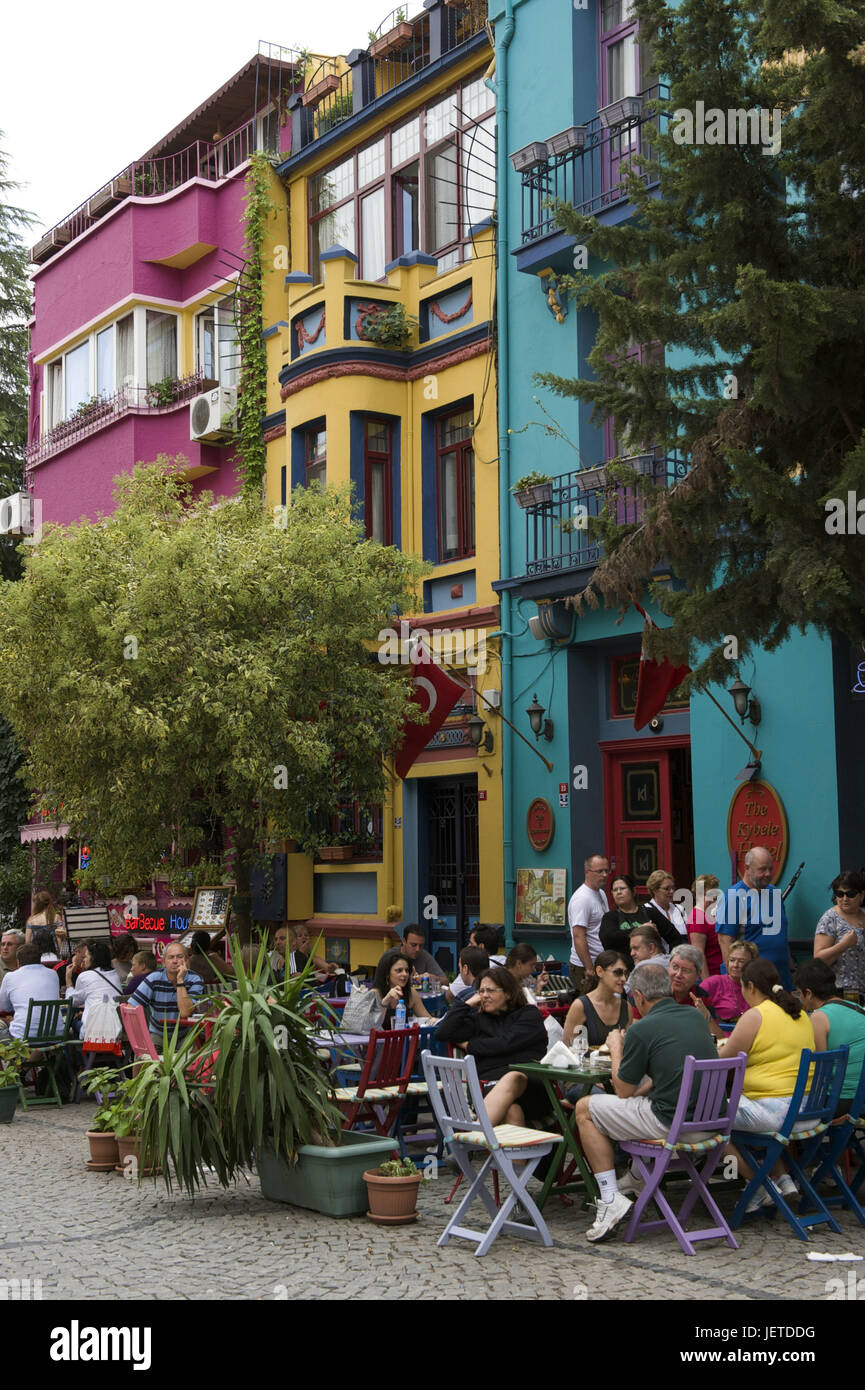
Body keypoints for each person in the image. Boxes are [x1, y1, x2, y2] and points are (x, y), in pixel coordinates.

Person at [573, 962, 718, 1242]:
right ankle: (635, 1181)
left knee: (584, 1108)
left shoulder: (643, 1028)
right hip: (711, 1124)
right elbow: (676, 1072)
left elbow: (623, 1091)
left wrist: (616, 1047)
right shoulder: (694, 1016)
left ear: (638, 997)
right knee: (640, 1101)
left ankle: (609, 1197)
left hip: (674, 1126)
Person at [719, 957, 817, 1210]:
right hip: (809, 1112)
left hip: (777, 1113)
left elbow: (724, 1059)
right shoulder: (800, 1013)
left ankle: (758, 1185)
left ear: (750, 986)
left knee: (707, 1121)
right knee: (745, 1112)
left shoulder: (755, 1016)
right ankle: (783, 1179)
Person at [435, 965, 549, 1125]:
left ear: (508, 993)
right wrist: (467, 1004)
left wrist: (471, 1046)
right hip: (488, 1088)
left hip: (531, 1089)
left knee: (513, 1076)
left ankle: (476, 1136)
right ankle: (505, 1150)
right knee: (512, 1111)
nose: (484, 996)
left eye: (490, 991)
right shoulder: (478, 1020)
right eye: (481, 991)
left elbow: (505, 1043)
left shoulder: (529, 1015)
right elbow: (442, 1032)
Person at [716, 846, 793, 989]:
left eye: (770, 868)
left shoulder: (775, 894)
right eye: (762, 869)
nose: (768, 873)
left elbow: (781, 935)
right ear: (747, 868)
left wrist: (791, 969)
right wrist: (735, 983)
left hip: (782, 979)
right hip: (752, 983)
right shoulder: (734, 897)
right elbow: (725, 941)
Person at [796, 958, 865, 1116]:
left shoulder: (819, 1017)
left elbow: (820, 1072)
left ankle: (801, 1141)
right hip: (861, 1099)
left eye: (799, 994)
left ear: (809, 993)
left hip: (842, 1101)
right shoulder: (858, 1009)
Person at [127, 941, 204, 1042]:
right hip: (158, 1034)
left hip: (185, 1034)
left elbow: (185, 1012)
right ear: (163, 962)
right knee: (147, 1056)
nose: (175, 961)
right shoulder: (154, 978)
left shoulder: (195, 979)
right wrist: (142, 1038)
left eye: (180, 957)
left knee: (193, 1053)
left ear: (187, 961)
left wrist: (180, 980)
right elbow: (131, 1009)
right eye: (171, 957)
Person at [813, 869, 865, 999]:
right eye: (840, 894)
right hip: (839, 992)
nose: (845, 899)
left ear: (862, 895)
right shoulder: (830, 918)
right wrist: (843, 945)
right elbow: (818, 960)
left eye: (851, 894)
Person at [563, 951, 631, 1046]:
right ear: (600, 971)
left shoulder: (626, 1007)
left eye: (626, 973)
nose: (624, 978)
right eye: (618, 972)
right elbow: (567, 1047)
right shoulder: (580, 1006)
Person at [600, 874, 680, 954]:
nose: (618, 892)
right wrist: (641, 929)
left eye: (622, 888)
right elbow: (608, 939)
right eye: (615, 890)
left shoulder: (650, 912)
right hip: (624, 964)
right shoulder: (610, 917)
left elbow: (675, 938)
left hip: (651, 963)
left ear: (633, 891)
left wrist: (671, 959)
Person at [0, 944, 61, 1039]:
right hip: (56, 1034)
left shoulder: (10, 977)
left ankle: (25, 1053)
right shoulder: (53, 974)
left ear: (18, 962)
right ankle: (37, 1054)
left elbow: (3, 1008)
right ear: (40, 960)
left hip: (24, 1038)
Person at [567, 853, 609, 990]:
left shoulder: (601, 893)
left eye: (606, 871)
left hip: (602, 962)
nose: (604, 875)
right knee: (590, 1007)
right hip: (585, 966)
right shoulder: (582, 898)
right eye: (599, 871)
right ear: (587, 872)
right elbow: (579, 936)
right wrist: (589, 968)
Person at [65, 940, 123, 1034]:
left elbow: (71, 1001)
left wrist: (68, 980)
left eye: (86, 956)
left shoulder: (85, 976)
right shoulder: (115, 975)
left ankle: (81, 1048)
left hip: (93, 1031)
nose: (84, 960)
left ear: (93, 959)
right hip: (115, 1028)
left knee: (72, 1021)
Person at [700, 940, 758, 1022]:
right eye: (732, 960)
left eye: (741, 961)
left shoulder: (757, 986)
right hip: (721, 1033)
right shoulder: (713, 983)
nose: (735, 965)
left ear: (751, 964)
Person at [371, 949, 430, 1027]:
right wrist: (385, 1001)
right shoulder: (375, 994)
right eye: (399, 970)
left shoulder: (411, 993)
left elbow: (428, 1019)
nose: (405, 974)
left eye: (407, 970)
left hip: (403, 1038)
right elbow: (371, 1026)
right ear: (387, 974)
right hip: (379, 1038)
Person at [687, 873, 722, 978]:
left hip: (719, 972)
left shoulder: (710, 913)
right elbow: (699, 953)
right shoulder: (697, 918)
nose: (715, 897)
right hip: (710, 974)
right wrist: (707, 983)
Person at [645, 869, 688, 938]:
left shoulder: (680, 909)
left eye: (673, 888)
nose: (672, 891)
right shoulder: (646, 910)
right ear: (654, 890)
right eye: (667, 888)